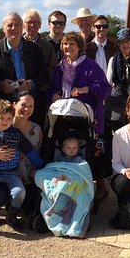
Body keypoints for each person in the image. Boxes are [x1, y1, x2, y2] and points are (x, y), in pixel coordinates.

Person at [47, 31, 112, 207]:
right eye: (65, 44)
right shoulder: (60, 68)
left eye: (72, 44)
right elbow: (52, 90)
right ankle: (67, 189)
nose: (68, 47)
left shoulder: (90, 66)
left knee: (91, 152)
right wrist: (53, 96)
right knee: (64, 150)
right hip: (64, 117)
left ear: (79, 47)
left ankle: (96, 190)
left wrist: (86, 89)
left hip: (86, 119)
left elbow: (106, 88)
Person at [0, 100, 45, 236]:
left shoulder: (16, 135)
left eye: (9, 118)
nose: (5, 121)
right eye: (1, 118)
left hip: (11, 173)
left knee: (20, 193)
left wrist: (43, 166)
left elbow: (30, 152)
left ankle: (11, 216)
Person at [0, 12, 49, 126]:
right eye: (9, 25)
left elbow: (44, 74)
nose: (14, 28)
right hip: (3, 107)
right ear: (3, 28)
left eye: (17, 25)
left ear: (22, 26)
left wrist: (30, 84)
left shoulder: (36, 49)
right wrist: (0, 85)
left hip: (30, 107)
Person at [106, 28, 130, 129]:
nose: (125, 45)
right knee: (115, 127)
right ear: (119, 45)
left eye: (128, 41)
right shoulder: (113, 60)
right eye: (122, 42)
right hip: (116, 100)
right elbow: (109, 82)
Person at [22, 9, 58, 80]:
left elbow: (53, 69)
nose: (32, 25)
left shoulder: (48, 47)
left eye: (36, 22)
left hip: (42, 89)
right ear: (23, 25)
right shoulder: (16, 44)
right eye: (29, 22)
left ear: (40, 25)